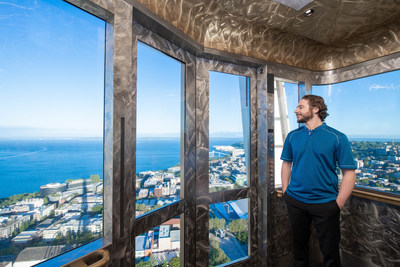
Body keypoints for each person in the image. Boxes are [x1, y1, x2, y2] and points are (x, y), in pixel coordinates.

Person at [281, 95, 356, 267]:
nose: (295, 110)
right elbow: (286, 164)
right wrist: (286, 192)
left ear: (315, 109)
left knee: (330, 253)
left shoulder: (337, 137)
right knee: (298, 250)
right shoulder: (292, 136)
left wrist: (338, 203)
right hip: (296, 201)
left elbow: (349, 174)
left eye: (300, 107)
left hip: (326, 204)